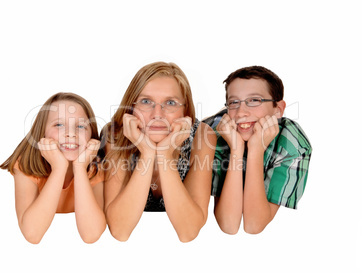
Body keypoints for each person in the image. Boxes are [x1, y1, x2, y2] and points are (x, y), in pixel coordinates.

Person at [101, 62, 216, 242]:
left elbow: (188, 231)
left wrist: (164, 154)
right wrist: (147, 152)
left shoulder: (202, 136)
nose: (157, 113)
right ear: (131, 107)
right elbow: (120, 231)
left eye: (170, 103)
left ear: (185, 111)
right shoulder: (115, 135)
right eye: (146, 101)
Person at [203, 66, 312, 234]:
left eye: (254, 101)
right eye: (234, 102)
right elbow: (229, 225)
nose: (241, 112)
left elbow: (254, 225)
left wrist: (256, 151)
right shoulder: (211, 135)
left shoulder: (293, 144)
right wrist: (236, 150)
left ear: (278, 109)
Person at [0, 92, 106, 244]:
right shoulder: (25, 164)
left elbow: (91, 235)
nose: (71, 133)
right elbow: (32, 235)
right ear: (42, 132)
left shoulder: (97, 166)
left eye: (81, 126)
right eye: (59, 125)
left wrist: (80, 169)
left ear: (91, 136)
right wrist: (59, 169)